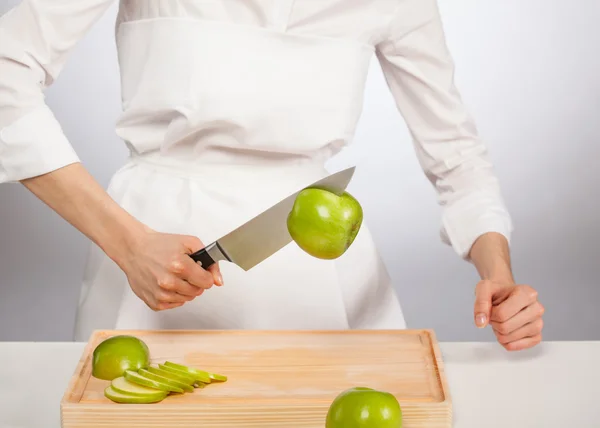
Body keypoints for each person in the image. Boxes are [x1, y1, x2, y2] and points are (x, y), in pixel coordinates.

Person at [0, 0, 544, 350]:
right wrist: (128, 242)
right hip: (152, 264)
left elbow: (455, 151)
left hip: (324, 282)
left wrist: (497, 271)